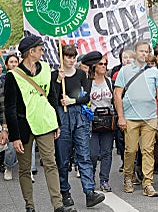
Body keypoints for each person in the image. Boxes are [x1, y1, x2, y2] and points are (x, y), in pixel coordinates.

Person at [4, 35, 76, 212]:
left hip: (45, 123)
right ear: (31, 52)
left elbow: (52, 97)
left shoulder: (45, 68)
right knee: (25, 168)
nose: (43, 52)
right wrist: (14, 137)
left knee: (50, 164)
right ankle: (29, 205)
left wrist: (56, 123)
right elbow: (10, 108)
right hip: (24, 126)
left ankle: (58, 205)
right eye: (40, 49)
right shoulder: (13, 76)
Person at [52, 45, 105, 208]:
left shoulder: (81, 74)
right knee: (63, 157)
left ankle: (89, 192)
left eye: (73, 56)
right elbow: (51, 97)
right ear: (62, 58)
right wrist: (58, 81)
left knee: (84, 154)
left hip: (79, 116)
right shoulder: (55, 75)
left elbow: (86, 96)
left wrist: (72, 100)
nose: (71, 59)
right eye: (68, 56)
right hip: (62, 115)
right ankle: (64, 192)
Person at [114, 41, 158, 197]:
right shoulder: (124, 71)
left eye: (147, 51)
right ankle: (128, 178)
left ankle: (148, 183)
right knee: (130, 150)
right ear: (135, 52)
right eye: (141, 51)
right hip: (130, 117)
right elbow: (117, 93)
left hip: (149, 117)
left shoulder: (154, 71)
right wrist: (121, 116)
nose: (144, 53)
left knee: (148, 150)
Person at [87, 54, 114, 192]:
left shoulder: (109, 82)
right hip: (93, 122)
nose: (103, 66)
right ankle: (90, 177)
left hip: (108, 122)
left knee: (106, 152)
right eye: (100, 64)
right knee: (92, 153)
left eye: (105, 64)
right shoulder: (88, 83)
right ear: (94, 66)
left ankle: (104, 180)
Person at [1, 54, 19, 181]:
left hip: (22, 116)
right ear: (6, 65)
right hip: (9, 116)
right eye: (11, 62)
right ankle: (8, 166)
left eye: (16, 61)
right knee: (10, 146)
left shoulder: (24, 78)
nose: (14, 64)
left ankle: (28, 169)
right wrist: (4, 125)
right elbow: (3, 103)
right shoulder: (3, 80)